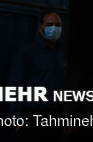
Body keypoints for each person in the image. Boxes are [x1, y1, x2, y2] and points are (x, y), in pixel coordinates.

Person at [7, 8, 66, 141]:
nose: (54, 28)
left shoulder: (62, 54)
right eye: (50, 25)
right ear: (40, 28)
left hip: (56, 119)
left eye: (58, 25)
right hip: (32, 119)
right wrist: (18, 119)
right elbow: (14, 86)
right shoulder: (26, 52)